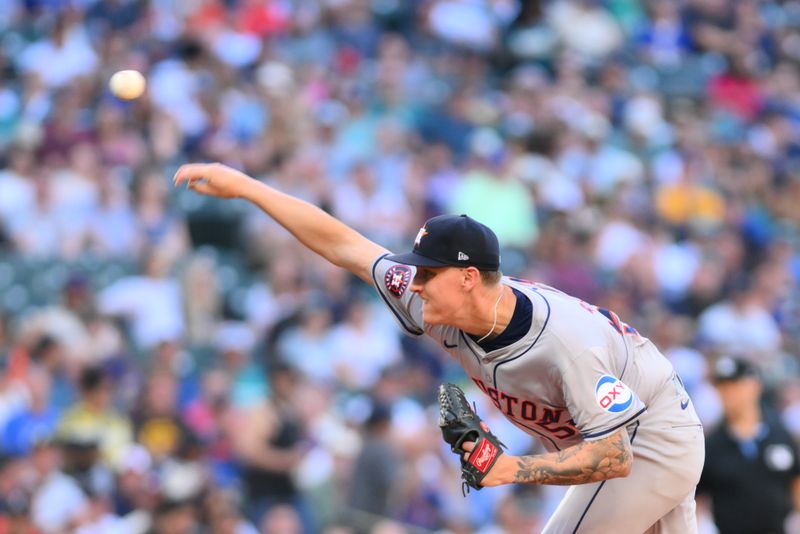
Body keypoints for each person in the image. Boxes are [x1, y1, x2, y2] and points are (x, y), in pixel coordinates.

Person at [173, 163, 705, 533]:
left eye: (430, 272)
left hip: (652, 438)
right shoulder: (434, 303)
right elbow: (347, 247)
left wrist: (511, 471)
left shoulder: (565, 341)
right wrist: (248, 188)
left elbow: (615, 454)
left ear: (469, 277)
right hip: (618, 436)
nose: (417, 282)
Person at [698, 357, 800, 534]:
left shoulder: (779, 432)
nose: (728, 393)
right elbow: (697, 498)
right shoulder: (712, 444)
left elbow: (795, 480)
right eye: (722, 387)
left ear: (754, 385)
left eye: (735, 385)